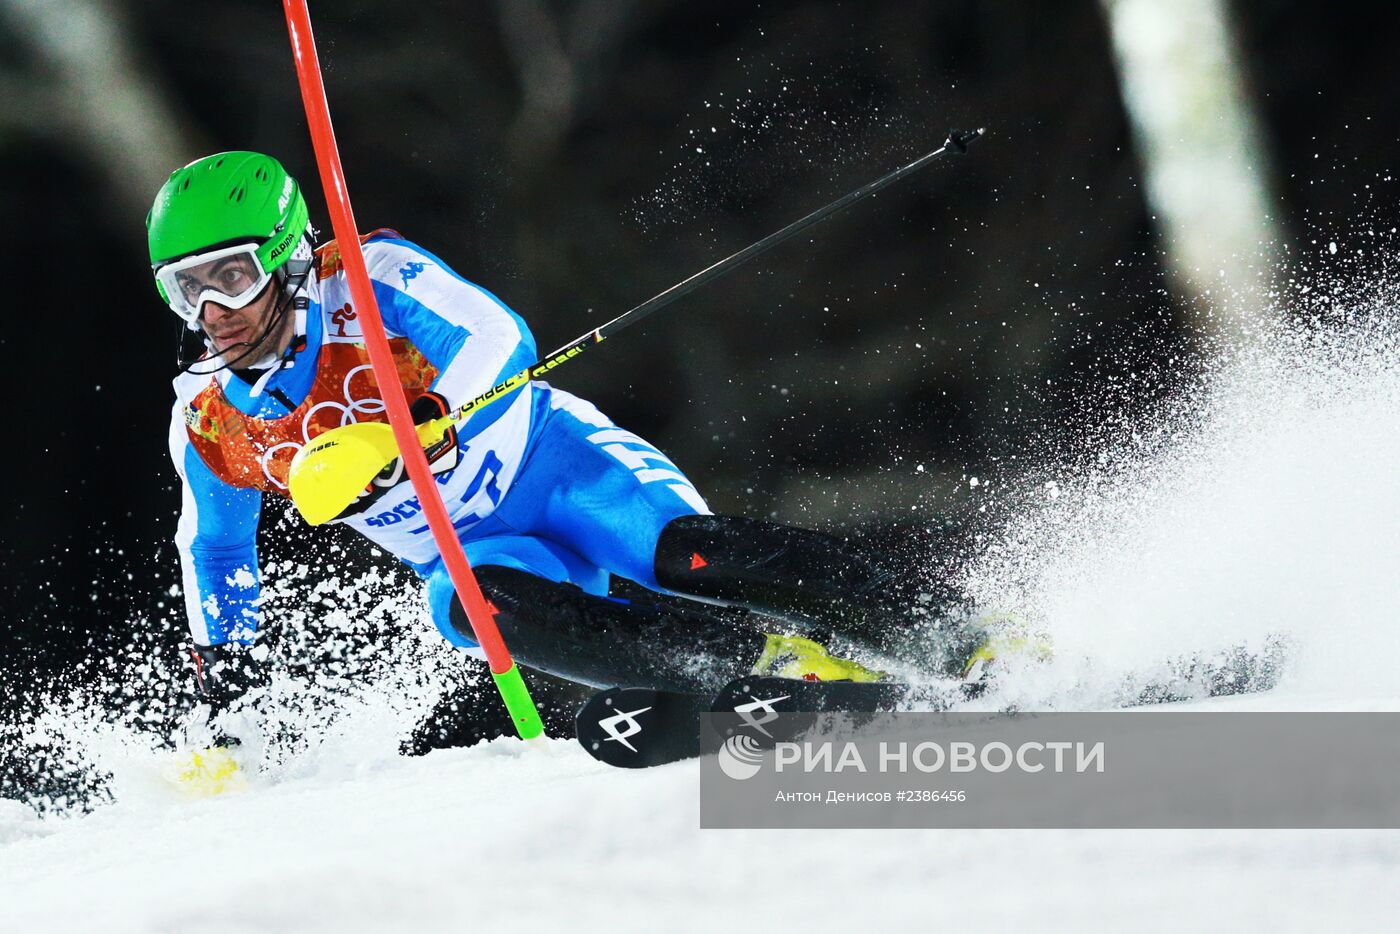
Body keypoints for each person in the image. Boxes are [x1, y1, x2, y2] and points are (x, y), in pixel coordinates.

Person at [149, 151, 974, 746]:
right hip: (485, 549)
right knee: (468, 605)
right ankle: (771, 674)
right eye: (188, 289)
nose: (213, 310)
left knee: (680, 556)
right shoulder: (214, 418)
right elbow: (216, 546)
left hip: (560, 468)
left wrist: (430, 418)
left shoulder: (371, 279)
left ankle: (950, 634)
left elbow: (498, 335)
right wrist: (227, 673)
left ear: (287, 255)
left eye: (231, 275)